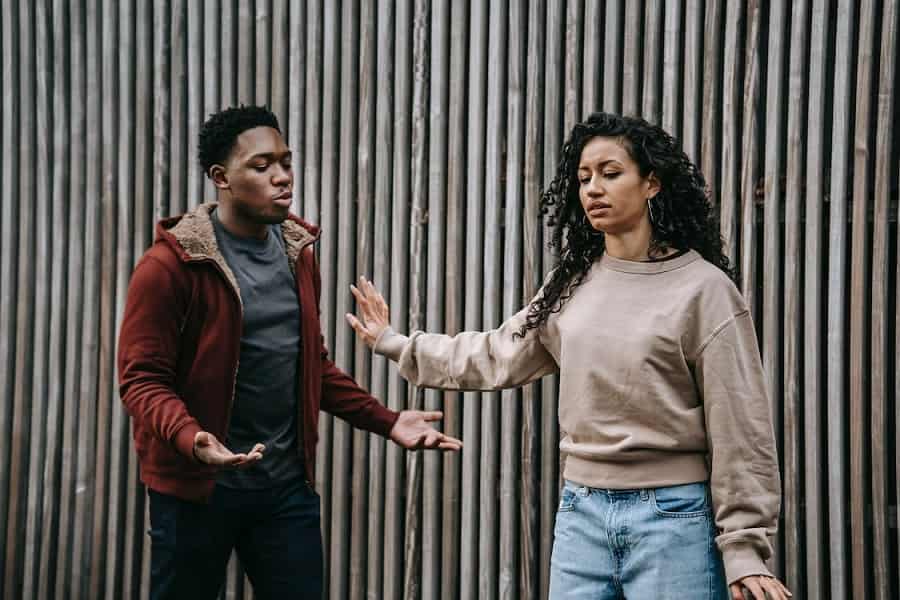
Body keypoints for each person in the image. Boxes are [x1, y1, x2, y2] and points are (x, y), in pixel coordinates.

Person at [346, 112, 791, 600]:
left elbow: (741, 424)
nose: (593, 189)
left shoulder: (705, 290)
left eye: (610, 173)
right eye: (583, 178)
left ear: (652, 183)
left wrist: (744, 547)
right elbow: (496, 354)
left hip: (675, 520)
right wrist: (393, 342)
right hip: (581, 517)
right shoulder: (573, 285)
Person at [117, 104, 461, 600]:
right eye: (261, 166)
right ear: (221, 178)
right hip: (195, 492)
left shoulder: (296, 253)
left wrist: (387, 420)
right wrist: (194, 439)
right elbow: (141, 379)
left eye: (286, 162)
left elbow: (309, 364)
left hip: (283, 489)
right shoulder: (169, 267)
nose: (282, 177)